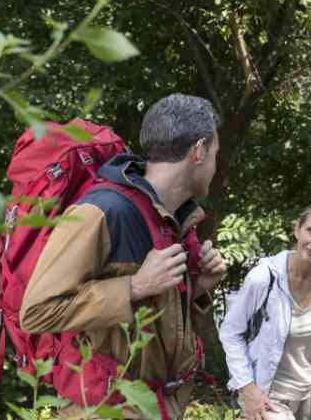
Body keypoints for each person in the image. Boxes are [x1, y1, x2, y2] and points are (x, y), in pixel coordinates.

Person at [20, 93, 227, 419]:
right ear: (198, 151)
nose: (215, 165)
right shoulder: (103, 211)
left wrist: (198, 286)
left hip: (155, 408)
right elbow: (36, 312)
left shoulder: (172, 218)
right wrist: (132, 286)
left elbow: (154, 322)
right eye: (215, 153)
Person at [219, 201, 311, 420]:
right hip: (268, 396)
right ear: (297, 229)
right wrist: (247, 388)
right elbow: (230, 333)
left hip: (310, 396)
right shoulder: (264, 278)